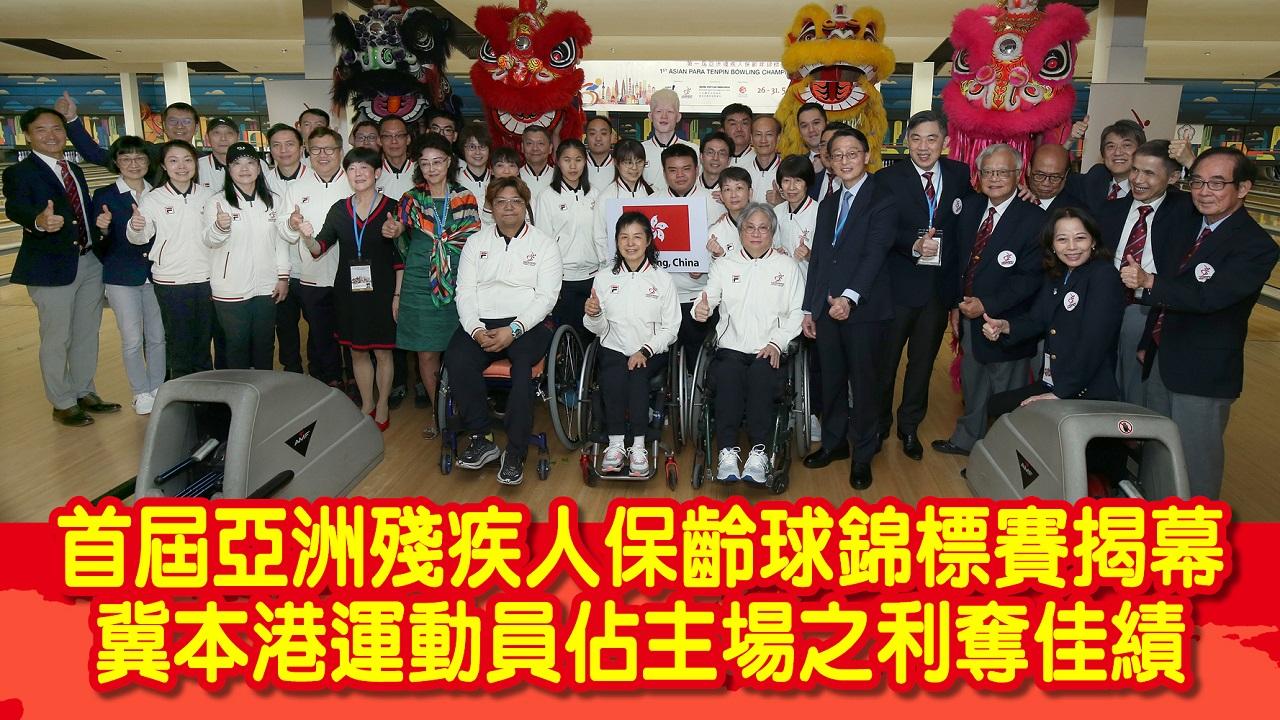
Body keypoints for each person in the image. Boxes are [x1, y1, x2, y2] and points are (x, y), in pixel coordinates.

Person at [1126, 148, 1279, 499]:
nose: (1204, 191)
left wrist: (1150, 282)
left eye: (1217, 183)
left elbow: (1208, 297)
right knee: (1157, 455)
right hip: (1162, 357)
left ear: (1243, 188)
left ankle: (1195, 528)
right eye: (1198, 181)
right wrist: (1149, 342)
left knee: (1195, 464)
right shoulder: (1189, 225)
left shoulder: (1256, 246)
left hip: (1203, 373)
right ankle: (1155, 520)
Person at [3, 107, 120, 426]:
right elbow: (15, 207)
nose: (51, 135)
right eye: (41, 130)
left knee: (86, 332)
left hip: (89, 260)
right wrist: (38, 221)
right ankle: (62, 401)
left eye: (56, 128)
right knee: (57, 337)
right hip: (51, 266)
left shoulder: (74, 169)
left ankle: (84, 390)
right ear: (28, 135)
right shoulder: (19, 172)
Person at [446, 177, 563, 486]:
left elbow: (547, 297)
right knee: (457, 358)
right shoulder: (476, 243)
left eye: (515, 201)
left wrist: (514, 329)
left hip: (528, 323)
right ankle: (481, 437)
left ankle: (515, 450)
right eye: (501, 201)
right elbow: (464, 292)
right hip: (481, 321)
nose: (508, 207)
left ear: (526, 206)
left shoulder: (544, 244)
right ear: (490, 207)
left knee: (522, 370)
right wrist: (475, 329)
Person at [933, 143, 1046, 458]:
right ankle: (967, 439)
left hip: (1008, 321)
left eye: (1002, 172)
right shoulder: (971, 208)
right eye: (988, 172)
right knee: (973, 383)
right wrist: (956, 304)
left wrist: (987, 304)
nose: (994, 178)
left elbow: (1030, 278)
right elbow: (958, 261)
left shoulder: (1034, 218)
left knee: (1005, 392)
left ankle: (1003, 454)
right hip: (969, 315)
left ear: (1017, 174)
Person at [876, 109, 975, 461]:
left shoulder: (959, 174)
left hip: (936, 290)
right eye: (916, 138)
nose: (923, 146)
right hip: (896, 288)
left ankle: (909, 427)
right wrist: (912, 244)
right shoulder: (888, 178)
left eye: (932, 139)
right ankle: (879, 425)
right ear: (906, 141)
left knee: (922, 365)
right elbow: (881, 230)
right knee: (885, 363)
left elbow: (970, 222)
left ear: (944, 142)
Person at [800, 127, 895, 490]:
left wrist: (849, 298)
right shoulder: (828, 204)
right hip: (827, 310)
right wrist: (810, 309)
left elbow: (875, 254)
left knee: (865, 384)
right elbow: (820, 260)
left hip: (864, 311)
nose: (844, 161)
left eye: (852, 153)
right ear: (829, 160)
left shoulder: (883, 199)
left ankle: (863, 456)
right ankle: (835, 444)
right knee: (832, 380)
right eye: (837, 155)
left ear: (866, 156)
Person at [296, 147, 406, 432]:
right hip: (348, 291)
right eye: (352, 169)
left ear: (377, 172)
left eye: (364, 168)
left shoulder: (394, 208)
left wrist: (397, 295)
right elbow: (319, 248)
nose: (358, 174)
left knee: (383, 352)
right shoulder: (339, 209)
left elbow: (401, 259)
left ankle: (383, 404)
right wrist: (306, 236)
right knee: (357, 351)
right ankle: (367, 404)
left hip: (383, 293)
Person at [692, 202, 803, 485]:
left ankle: (759, 453)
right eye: (750, 228)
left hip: (769, 349)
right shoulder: (724, 265)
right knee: (728, 375)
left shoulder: (787, 267)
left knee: (760, 375)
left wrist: (777, 343)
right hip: (731, 347)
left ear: (772, 233)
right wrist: (700, 310)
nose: (756, 234)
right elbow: (707, 298)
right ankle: (727, 452)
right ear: (740, 231)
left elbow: (797, 313)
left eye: (763, 228)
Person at [982, 208, 1124, 418]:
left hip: (1084, 388)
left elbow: (1093, 342)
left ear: (1093, 241)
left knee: (1010, 412)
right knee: (997, 405)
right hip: (1054, 381)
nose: (1072, 247)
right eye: (1062, 239)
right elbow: (1037, 319)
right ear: (1052, 245)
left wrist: (1061, 393)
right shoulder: (1058, 274)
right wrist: (1005, 326)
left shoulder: (1103, 275)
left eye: (1080, 238)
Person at [1097, 140, 1195, 406]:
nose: (1138, 180)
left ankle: (1133, 429)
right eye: (1135, 170)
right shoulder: (1110, 209)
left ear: (1173, 177)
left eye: (1149, 173)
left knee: (1135, 391)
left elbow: (1219, 196)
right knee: (1102, 383)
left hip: (1147, 310)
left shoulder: (1185, 210)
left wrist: (1191, 163)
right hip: (1106, 306)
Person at [397, 132, 483, 436]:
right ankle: (439, 413)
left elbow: (474, 241)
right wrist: (394, 230)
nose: (432, 168)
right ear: (419, 166)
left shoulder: (464, 197)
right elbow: (401, 243)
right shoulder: (410, 199)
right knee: (426, 353)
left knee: (460, 352)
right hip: (419, 281)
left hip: (459, 280)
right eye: (425, 163)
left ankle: (463, 408)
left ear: (449, 162)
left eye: (437, 161)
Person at [584, 211, 681, 476]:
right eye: (624, 237)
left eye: (637, 237)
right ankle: (615, 445)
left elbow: (671, 328)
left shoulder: (662, 279)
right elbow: (597, 329)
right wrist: (594, 314)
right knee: (613, 374)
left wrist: (645, 350)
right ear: (616, 242)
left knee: (637, 374)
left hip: (651, 350)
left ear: (648, 241)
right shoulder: (604, 278)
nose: (630, 243)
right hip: (614, 347)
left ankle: (638, 446)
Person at [128, 140, 215, 379]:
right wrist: (136, 227)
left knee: (203, 339)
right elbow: (140, 237)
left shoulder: (208, 196)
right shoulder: (154, 199)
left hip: (206, 277)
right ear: (164, 166)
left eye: (187, 160)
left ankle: (206, 391)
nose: (182, 166)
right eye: (173, 161)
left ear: (195, 164)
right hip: (170, 281)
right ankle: (182, 391)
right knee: (178, 341)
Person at [90, 135, 165, 415]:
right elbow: (98, 243)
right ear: (116, 162)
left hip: (155, 274)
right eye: (126, 158)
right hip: (121, 276)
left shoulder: (158, 192)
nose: (134, 164)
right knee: (132, 339)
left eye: (140, 158)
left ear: (148, 162)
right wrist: (103, 228)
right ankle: (140, 392)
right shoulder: (105, 195)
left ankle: (157, 387)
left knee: (157, 337)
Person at [202, 142, 290, 370]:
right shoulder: (217, 202)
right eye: (236, 163)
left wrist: (283, 276)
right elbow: (210, 240)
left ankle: (263, 390)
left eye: (250, 162)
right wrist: (220, 227)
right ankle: (238, 391)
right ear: (228, 169)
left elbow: (281, 242)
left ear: (259, 168)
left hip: (267, 285)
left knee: (265, 344)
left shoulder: (274, 200)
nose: (244, 168)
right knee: (236, 345)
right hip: (230, 288)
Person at [277, 128, 353, 389]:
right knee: (321, 334)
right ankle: (332, 380)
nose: (323, 155)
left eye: (329, 149)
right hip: (312, 275)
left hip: (350, 274)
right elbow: (283, 230)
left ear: (340, 151)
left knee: (353, 331)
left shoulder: (354, 182)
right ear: (307, 153)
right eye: (316, 150)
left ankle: (355, 379)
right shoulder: (297, 188)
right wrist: (291, 223)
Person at [535, 139, 597, 335]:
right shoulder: (547, 196)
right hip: (563, 279)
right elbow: (543, 242)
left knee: (592, 332)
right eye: (567, 160)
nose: (573, 166)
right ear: (557, 161)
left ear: (585, 162)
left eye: (578, 159)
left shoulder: (595, 194)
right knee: (567, 334)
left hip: (593, 276)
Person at [264, 124, 308, 375]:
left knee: (319, 325)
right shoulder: (262, 182)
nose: (284, 150)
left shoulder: (315, 177)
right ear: (270, 150)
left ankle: (323, 373)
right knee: (285, 326)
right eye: (276, 145)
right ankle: (292, 372)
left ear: (301, 147)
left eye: (290, 144)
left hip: (311, 267)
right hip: (277, 270)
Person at [592, 139, 654, 263]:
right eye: (628, 162)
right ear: (616, 162)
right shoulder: (606, 197)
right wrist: (612, 265)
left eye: (639, 162)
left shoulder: (653, 194)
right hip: (617, 266)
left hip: (648, 265)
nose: (634, 167)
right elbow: (599, 237)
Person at [1067, 118, 1146, 214]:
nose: (1117, 152)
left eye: (1126, 145)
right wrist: (1069, 142)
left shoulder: (1148, 189)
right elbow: (1059, 178)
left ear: (1141, 152)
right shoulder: (1097, 176)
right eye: (1111, 146)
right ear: (1103, 155)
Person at [641, 89, 698, 191]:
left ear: (678, 117)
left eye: (670, 111)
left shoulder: (694, 150)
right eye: (659, 111)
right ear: (650, 116)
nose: (664, 116)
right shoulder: (639, 150)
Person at [773, 155, 816, 275]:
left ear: (807, 183)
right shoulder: (776, 212)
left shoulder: (819, 212)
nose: (791, 187)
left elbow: (827, 257)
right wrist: (775, 253)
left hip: (808, 281)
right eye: (786, 181)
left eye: (798, 181)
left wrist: (809, 254)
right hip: (781, 280)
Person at [660, 143, 717, 220]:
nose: (680, 175)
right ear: (664, 173)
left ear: (696, 170)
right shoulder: (651, 202)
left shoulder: (715, 202)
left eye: (686, 169)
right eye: (673, 170)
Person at [1027, 144, 1083, 213]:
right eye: (1040, 175)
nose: (1046, 183)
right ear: (1029, 169)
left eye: (1055, 177)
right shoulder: (1016, 198)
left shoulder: (1076, 212)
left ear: (1066, 175)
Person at [376, 116, 416, 202]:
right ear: (379, 140)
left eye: (399, 135)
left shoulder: (421, 171)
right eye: (387, 136)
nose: (394, 141)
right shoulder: (373, 175)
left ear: (408, 139)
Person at [809, 122, 851, 202]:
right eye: (823, 145)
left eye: (833, 143)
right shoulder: (810, 180)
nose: (827, 150)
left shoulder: (863, 183)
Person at [745, 115, 782, 204]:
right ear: (751, 138)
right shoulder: (742, 172)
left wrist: (782, 202)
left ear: (778, 138)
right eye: (758, 134)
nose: (763, 140)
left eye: (769, 134)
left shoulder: (789, 172)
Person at [196, 116, 239, 193]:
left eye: (229, 133)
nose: (223, 138)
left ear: (238, 137)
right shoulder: (197, 167)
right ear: (207, 138)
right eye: (217, 133)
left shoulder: (256, 164)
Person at [456, 121, 493, 207]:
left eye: (482, 146)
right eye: (472, 147)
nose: (477, 152)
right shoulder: (455, 180)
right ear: (463, 149)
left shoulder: (497, 178)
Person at [520, 125, 555, 199]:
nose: (535, 148)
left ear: (550, 148)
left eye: (540, 143)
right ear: (522, 147)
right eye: (529, 143)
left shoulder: (560, 177)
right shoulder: (514, 177)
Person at [698, 131, 733, 200]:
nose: (715, 158)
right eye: (710, 152)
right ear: (701, 157)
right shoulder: (689, 186)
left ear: (729, 160)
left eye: (722, 154)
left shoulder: (734, 192)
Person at [796, 102, 828, 172]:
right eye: (804, 126)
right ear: (799, 131)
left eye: (816, 123)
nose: (811, 130)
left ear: (826, 124)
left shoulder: (844, 159)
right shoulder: (797, 166)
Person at [585, 115, 616, 188]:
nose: (598, 138)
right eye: (592, 133)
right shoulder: (577, 167)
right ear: (586, 137)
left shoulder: (621, 168)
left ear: (611, 137)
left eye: (603, 133)